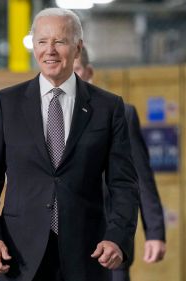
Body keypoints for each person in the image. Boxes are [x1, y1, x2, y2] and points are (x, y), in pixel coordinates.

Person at [0, 8, 140, 281]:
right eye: (41, 42)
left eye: (59, 41)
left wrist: (118, 237)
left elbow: (124, 184)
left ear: (77, 47)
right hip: (18, 258)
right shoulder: (6, 103)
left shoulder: (107, 107)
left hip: (88, 256)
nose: (49, 50)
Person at [73, 47, 166, 281]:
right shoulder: (47, 116)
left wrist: (155, 232)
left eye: (75, 70)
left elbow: (140, 178)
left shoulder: (120, 113)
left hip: (110, 239)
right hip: (65, 240)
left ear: (88, 72)